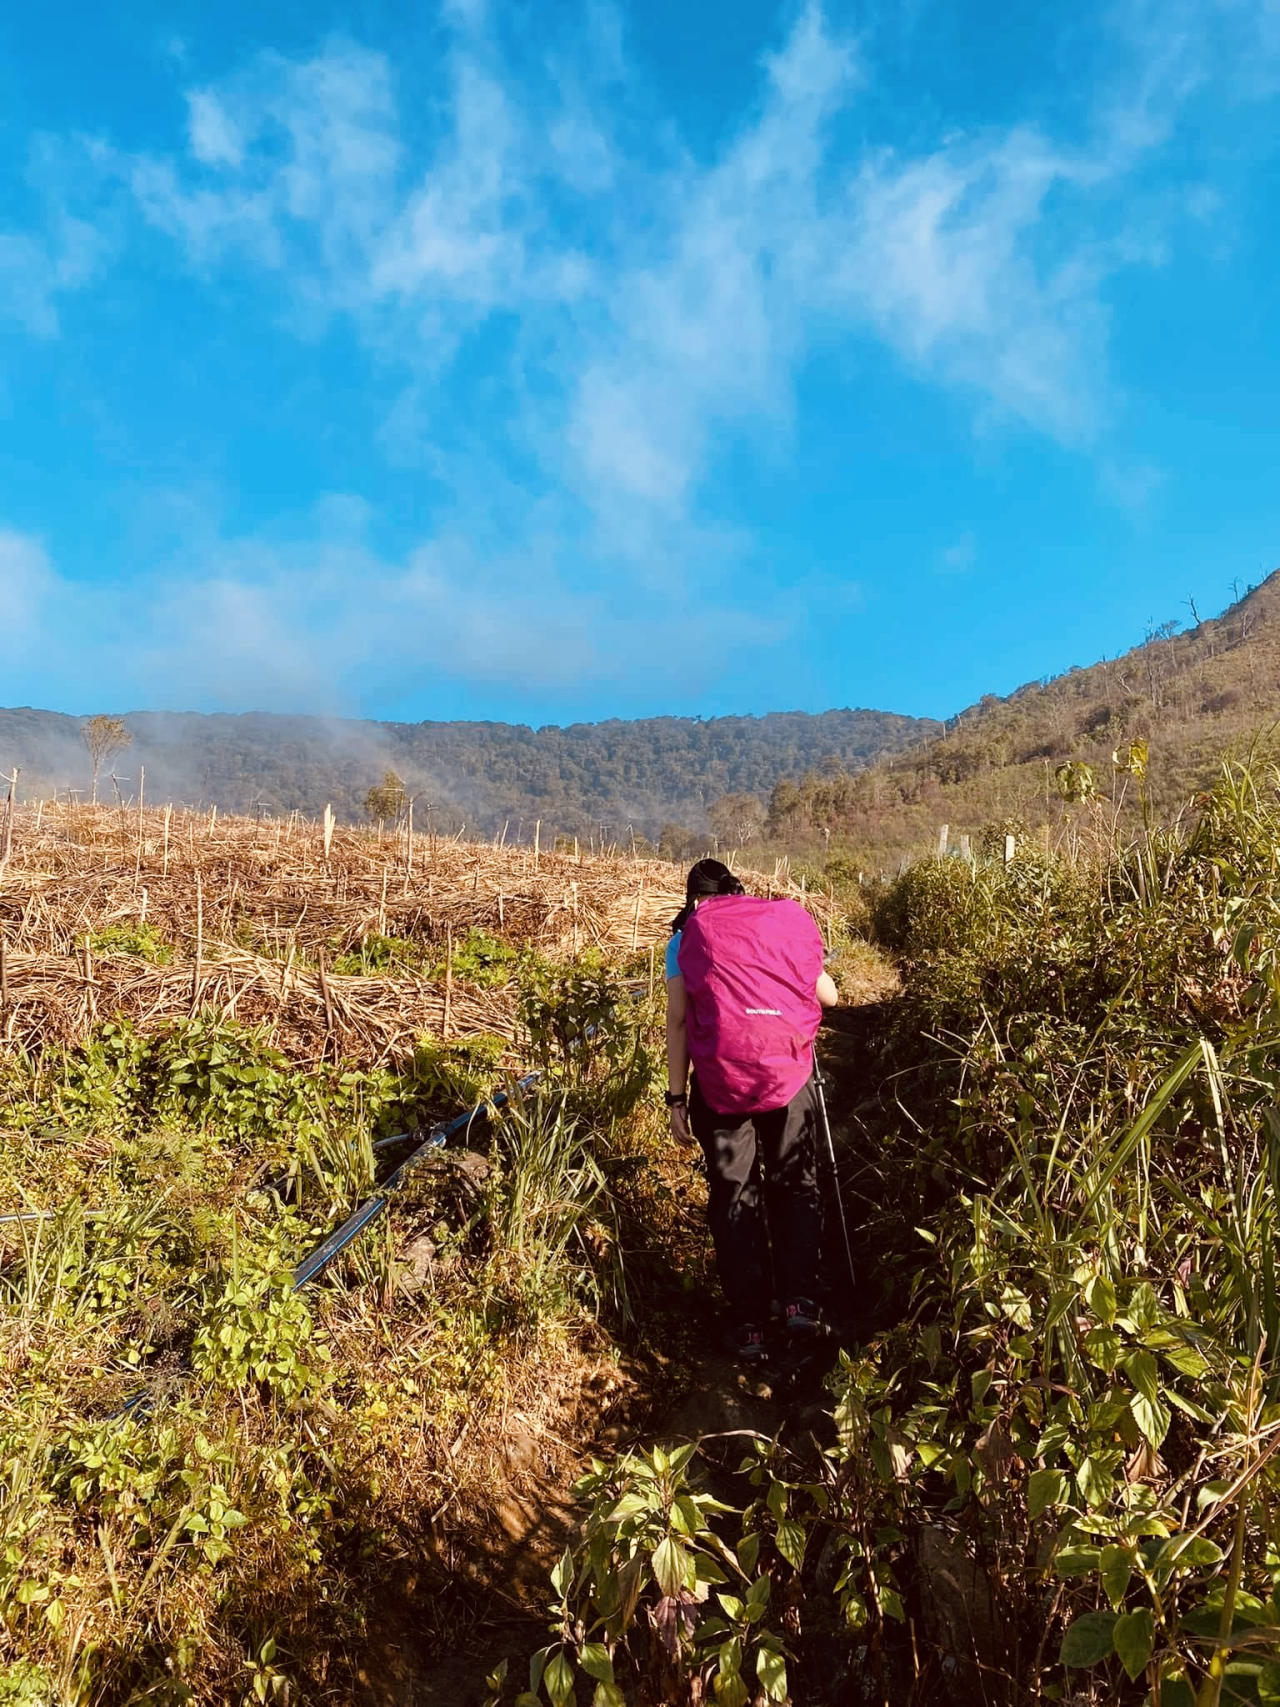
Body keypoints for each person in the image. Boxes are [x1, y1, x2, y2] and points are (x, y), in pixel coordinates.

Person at [664, 859, 839, 1362]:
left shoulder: (685, 938)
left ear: (694, 899)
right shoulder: (775, 925)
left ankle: (749, 1323)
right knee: (795, 1180)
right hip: (787, 1075)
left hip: (721, 1082)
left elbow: (678, 1023)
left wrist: (677, 1098)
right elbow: (827, 995)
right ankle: (800, 1302)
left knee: (734, 1190)